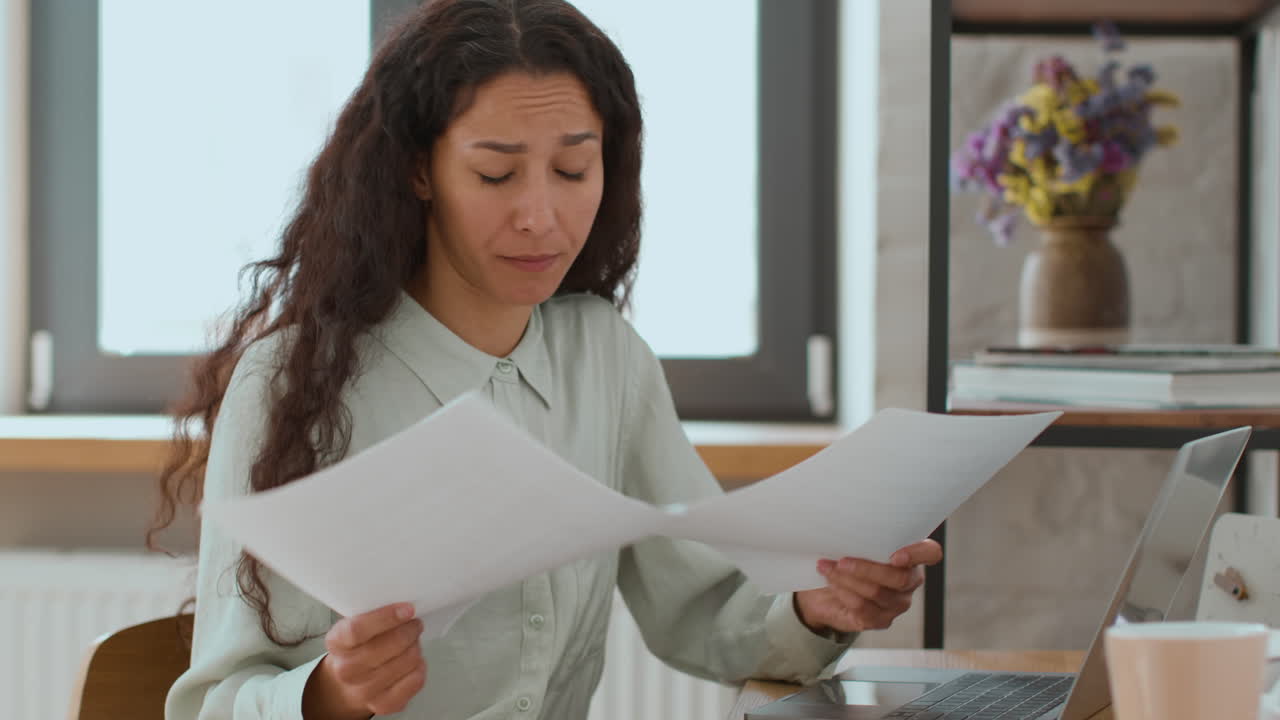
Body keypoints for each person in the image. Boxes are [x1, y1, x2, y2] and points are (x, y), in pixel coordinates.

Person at [150, 1, 943, 718]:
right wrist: (330, 693)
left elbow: (705, 612)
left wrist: (818, 609)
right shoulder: (295, 383)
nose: (541, 216)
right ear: (419, 170)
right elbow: (215, 704)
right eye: (495, 173)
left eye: (573, 170)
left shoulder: (606, 358)